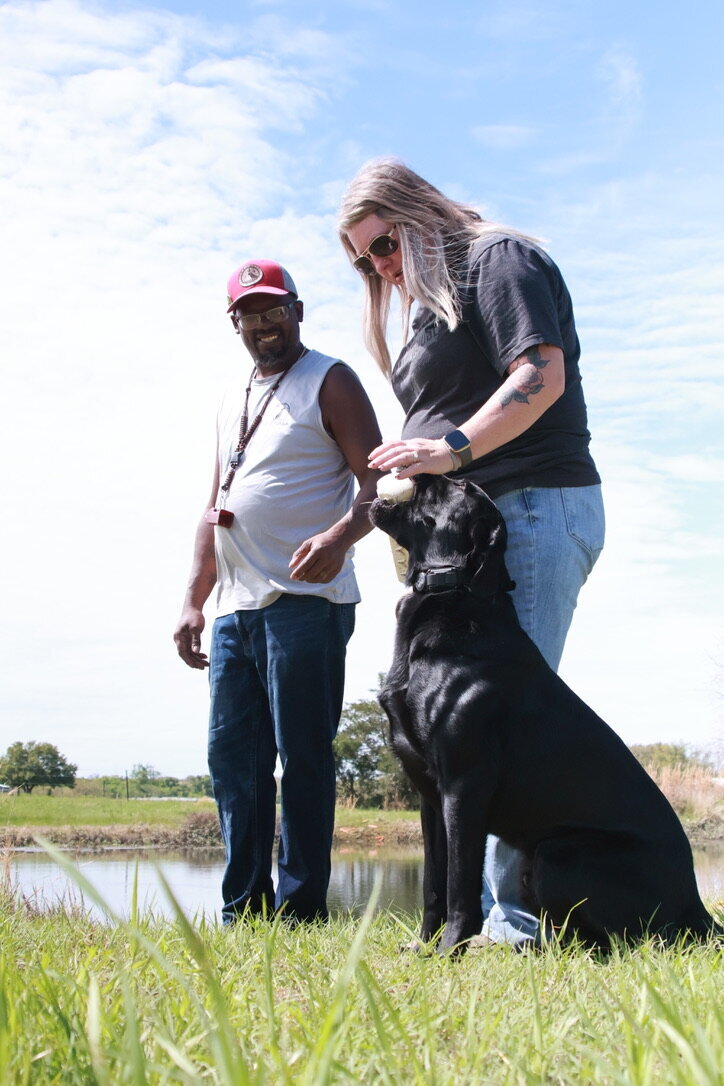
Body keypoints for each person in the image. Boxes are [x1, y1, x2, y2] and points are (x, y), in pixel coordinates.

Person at [338, 159, 605, 946]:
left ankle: (515, 926)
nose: (379, 267)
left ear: (420, 214)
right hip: (466, 535)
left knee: (503, 728)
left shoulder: (498, 258)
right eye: (363, 261)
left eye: (384, 244)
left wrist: (448, 449)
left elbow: (541, 374)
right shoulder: (428, 308)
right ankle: (480, 921)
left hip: (526, 508)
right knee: (465, 731)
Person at [173, 258, 382, 925]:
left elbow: (381, 488)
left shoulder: (331, 380)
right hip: (234, 611)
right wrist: (191, 601)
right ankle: (242, 910)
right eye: (251, 313)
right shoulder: (230, 399)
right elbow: (214, 507)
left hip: (305, 604)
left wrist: (339, 539)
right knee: (233, 763)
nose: (265, 323)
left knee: (305, 761)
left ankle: (300, 913)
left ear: (297, 309)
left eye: (275, 309)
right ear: (234, 321)